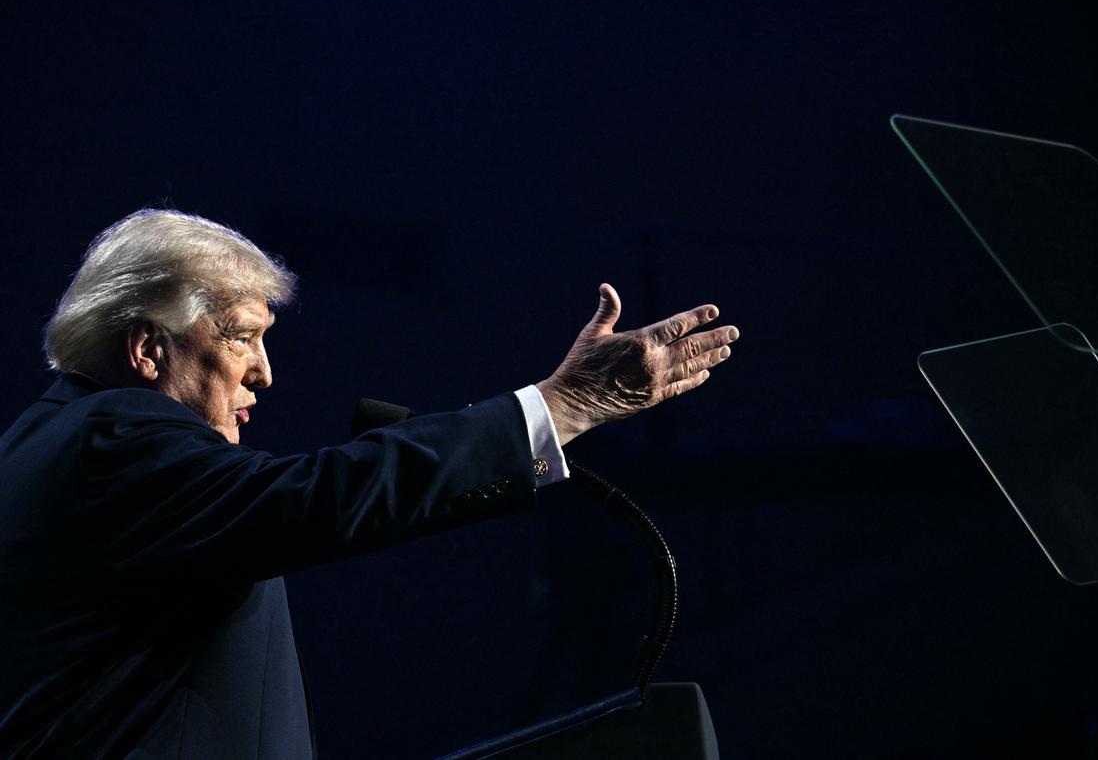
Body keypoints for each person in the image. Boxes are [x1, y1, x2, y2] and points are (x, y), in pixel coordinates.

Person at [0, 209, 738, 759]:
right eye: (240, 335)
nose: (263, 370)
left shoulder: (40, 445)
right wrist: (565, 405)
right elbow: (321, 495)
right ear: (148, 350)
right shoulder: (114, 441)